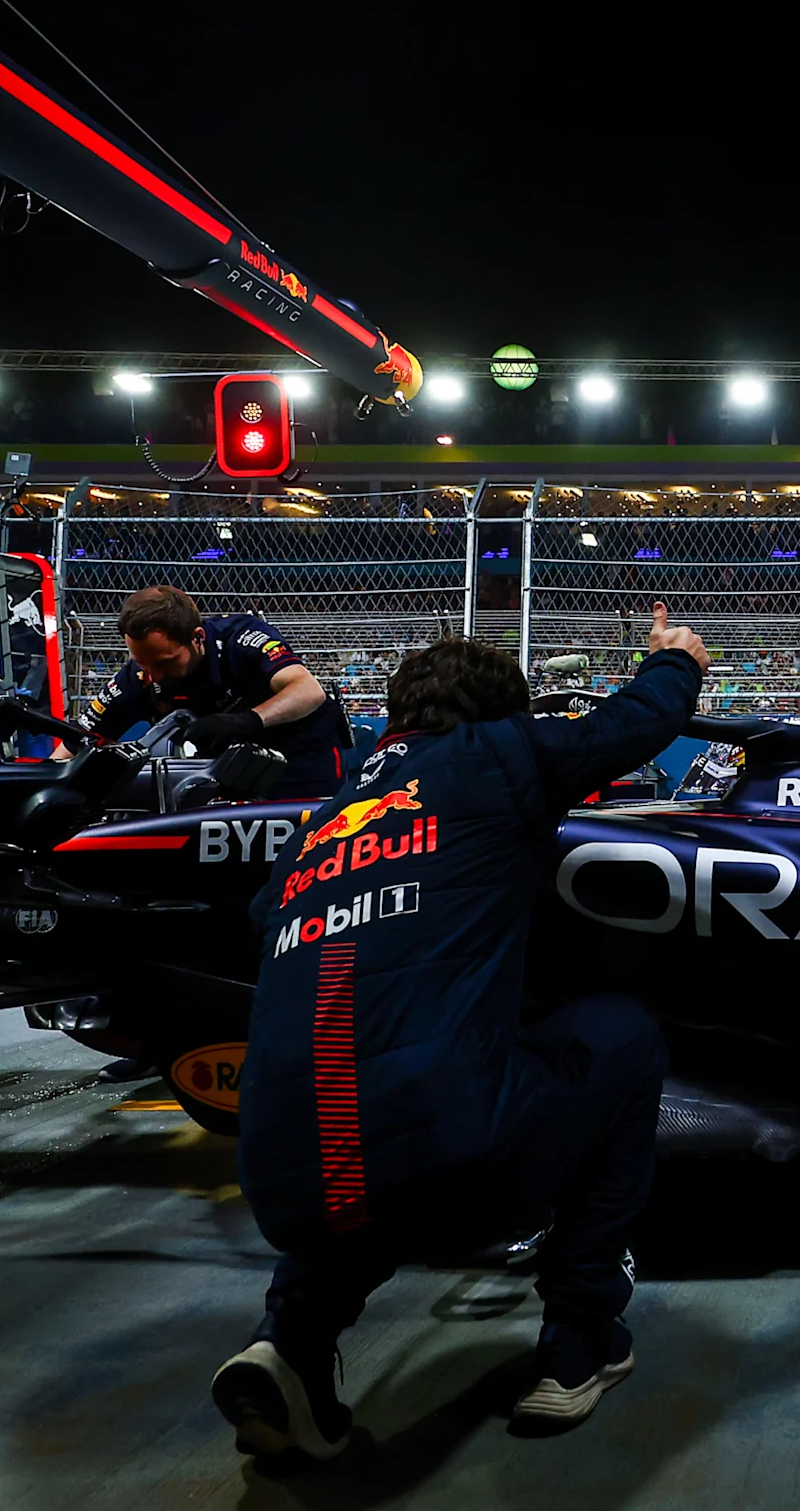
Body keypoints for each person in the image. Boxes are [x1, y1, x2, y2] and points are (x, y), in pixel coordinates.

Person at [210, 603, 705, 1461]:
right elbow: (633, 726)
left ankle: (288, 1344)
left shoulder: (326, 820)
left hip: (280, 1186)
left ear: (396, 717)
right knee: (620, 1036)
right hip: (457, 1166)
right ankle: (579, 1340)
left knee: (358, 1135)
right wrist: (677, 662)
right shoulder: (496, 753)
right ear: (503, 716)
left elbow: (264, 918)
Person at [87, 586, 344, 797]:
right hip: (229, 774)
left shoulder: (241, 637)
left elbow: (309, 691)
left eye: (165, 663)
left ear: (197, 638)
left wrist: (247, 720)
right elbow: (75, 742)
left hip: (300, 757)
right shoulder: (136, 678)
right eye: (142, 664)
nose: (154, 676)